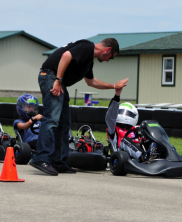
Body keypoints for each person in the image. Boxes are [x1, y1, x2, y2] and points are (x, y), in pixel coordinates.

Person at [30, 38, 128, 176]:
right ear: (108, 50)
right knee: (51, 119)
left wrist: (114, 86)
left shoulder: (88, 60)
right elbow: (66, 56)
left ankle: (57, 162)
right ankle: (41, 158)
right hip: (51, 76)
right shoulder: (87, 47)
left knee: (64, 124)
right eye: (111, 57)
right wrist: (58, 80)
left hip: (58, 80)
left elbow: (91, 82)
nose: (108, 60)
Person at [105, 87, 157, 162]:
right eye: (121, 112)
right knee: (125, 141)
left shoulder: (136, 130)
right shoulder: (113, 129)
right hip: (122, 157)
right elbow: (110, 117)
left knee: (153, 139)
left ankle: (170, 155)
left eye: (128, 114)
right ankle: (143, 157)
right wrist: (117, 96)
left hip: (140, 154)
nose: (124, 116)